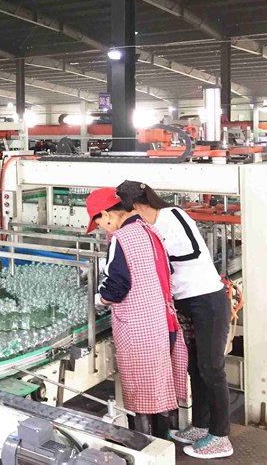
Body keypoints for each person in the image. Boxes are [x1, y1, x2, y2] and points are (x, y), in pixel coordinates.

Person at [117, 181, 233, 459]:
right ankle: (201, 425)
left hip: (207, 299)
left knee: (211, 368)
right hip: (184, 303)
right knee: (195, 366)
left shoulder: (172, 215)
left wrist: (157, 254)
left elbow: (192, 251)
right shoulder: (146, 228)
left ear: (135, 206)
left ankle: (221, 436)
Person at [85, 187, 188, 440]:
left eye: (98, 222)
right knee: (160, 388)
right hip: (162, 321)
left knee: (142, 394)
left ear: (106, 214)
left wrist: (98, 299)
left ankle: (145, 446)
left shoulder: (121, 238)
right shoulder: (149, 230)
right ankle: (164, 442)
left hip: (138, 329)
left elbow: (117, 286)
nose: (102, 228)